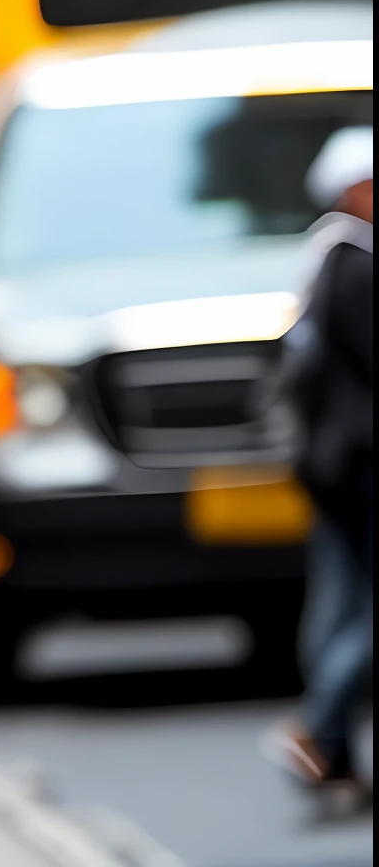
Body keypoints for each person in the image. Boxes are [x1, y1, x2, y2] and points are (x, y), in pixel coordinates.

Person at [267, 124, 372, 795]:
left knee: (337, 601)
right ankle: (319, 723)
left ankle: (330, 749)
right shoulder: (359, 266)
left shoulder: (326, 257)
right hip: (363, 460)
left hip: (332, 460)